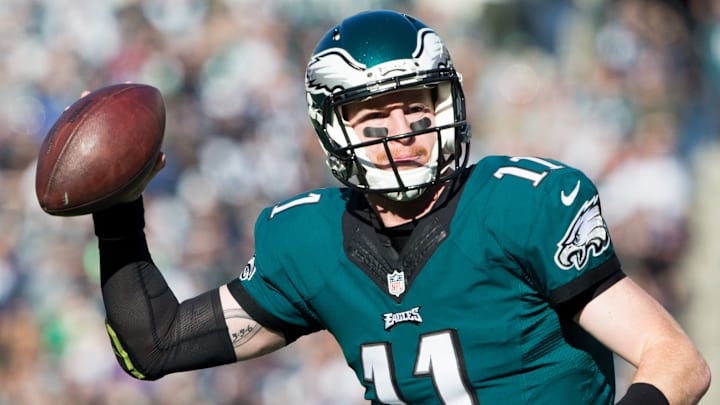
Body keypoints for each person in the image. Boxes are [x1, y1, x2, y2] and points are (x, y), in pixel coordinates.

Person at [87, 10, 710, 404]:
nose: (405, 128)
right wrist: (117, 210)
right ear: (334, 129)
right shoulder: (310, 240)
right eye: (376, 114)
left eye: (418, 105)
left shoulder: (520, 205)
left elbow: (676, 361)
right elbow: (156, 344)